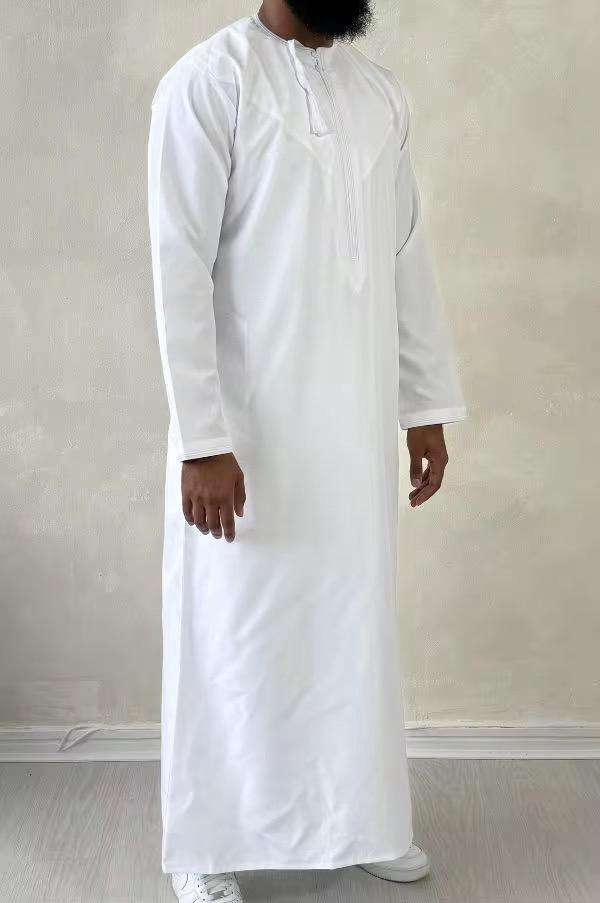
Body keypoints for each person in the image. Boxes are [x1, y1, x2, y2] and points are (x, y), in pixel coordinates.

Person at [147, 1, 467, 900]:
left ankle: (361, 822)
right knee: (232, 630)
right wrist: (203, 439)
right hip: (247, 434)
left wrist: (424, 405)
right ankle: (207, 844)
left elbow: (405, 255)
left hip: (354, 426)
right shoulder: (209, 84)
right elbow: (178, 267)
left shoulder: (380, 95)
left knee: (351, 632)